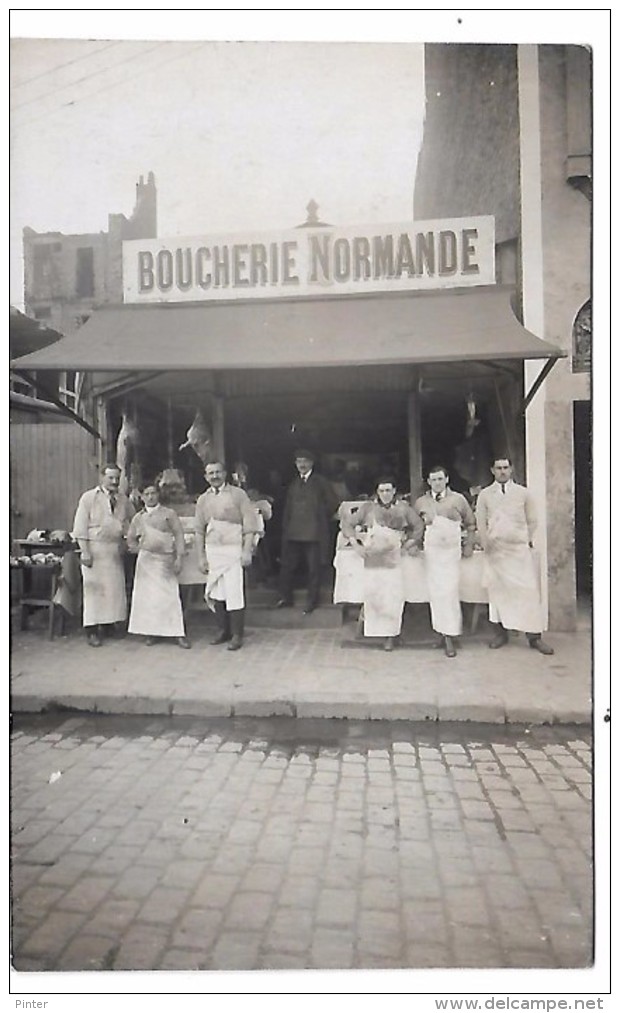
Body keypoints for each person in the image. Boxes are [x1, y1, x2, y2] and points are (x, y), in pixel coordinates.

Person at [475, 456, 554, 655]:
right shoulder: (485, 495)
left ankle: (534, 637)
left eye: (505, 467)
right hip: (496, 552)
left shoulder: (523, 493)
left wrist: (521, 539)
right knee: (498, 593)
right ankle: (501, 634)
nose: (502, 471)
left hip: (518, 552)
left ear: (511, 470)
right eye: (498, 468)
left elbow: (533, 520)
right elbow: (481, 523)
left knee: (527, 592)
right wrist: (487, 544)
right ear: (492, 470)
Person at [340, 476, 424, 651]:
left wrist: (410, 543)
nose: (385, 494)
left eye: (388, 490)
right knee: (374, 596)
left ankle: (391, 636)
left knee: (393, 597)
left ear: (394, 491)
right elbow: (347, 524)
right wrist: (356, 544)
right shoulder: (368, 508)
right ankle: (373, 632)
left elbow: (419, 526)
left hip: (394, 560)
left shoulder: (403, 508)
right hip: (373, 559)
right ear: (377, 492)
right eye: (381, 491)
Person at [195, 460, 259, 651]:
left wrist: (247, 550)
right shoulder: (203, 499)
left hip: (233, 550)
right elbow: (199, 530)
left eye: (217, 472)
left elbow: (250, 524)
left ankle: (237, 634)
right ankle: (223, 630)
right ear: (205, 477)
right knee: (216, 591)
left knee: (234, 591)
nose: (214, 476)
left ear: (224, 474)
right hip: (213, 550)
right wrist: (201, 557)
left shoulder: (238, 495)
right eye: (210, 473)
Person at [415, 464, 476, 658]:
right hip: (432, 554)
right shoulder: (421, 502)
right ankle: (442, 633)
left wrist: (469, 545)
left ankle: (451, 636)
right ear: (429, 482)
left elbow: (471, 523)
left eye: (440, 479)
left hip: (451, 553)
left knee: (449, 592)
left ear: (447, 480)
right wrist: (414, 544)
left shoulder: (458, 499)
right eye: (433, 480)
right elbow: (415, 527)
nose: (437, 483)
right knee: (436, 593)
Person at [72, 463, 134, 647]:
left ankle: (108, 626)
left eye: (117, 478)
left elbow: (134, 520)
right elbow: (80, 526)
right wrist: (85, 551)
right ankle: (92, 630)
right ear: (102, 477)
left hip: (113, 550)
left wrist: (127, 540)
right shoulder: (89, 498)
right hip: (94, 550)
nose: (114, 481)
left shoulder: (123, 499)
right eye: (110, 478)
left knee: (113, 590)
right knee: (94, 591)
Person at [274, 449, 341, 614]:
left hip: (314, 532)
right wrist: (286, 527)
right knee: (288, 566)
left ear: (312, 463)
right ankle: (286, 598)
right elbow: (288, 508)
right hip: (293, 532)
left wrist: (319, 516)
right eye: (299, 462)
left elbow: (333, 503)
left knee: (314, 568)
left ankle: (312, 602)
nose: (302, 465)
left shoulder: (320, 482)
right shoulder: (294, 483)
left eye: (305, 461)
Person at [126, 482, 190, 649]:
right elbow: (130, 538)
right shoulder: (138, 517)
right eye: (146, 494)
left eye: (153, 493)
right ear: (141, 497)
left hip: (165, 560)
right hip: (146, 562)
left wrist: (179, 558)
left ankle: (177, 633)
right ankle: (152, 632)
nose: (150, 497)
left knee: (170, 597)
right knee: (149, 598)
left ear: (158, 494)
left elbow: (179, 535)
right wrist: (137, 549)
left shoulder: (169, 514)